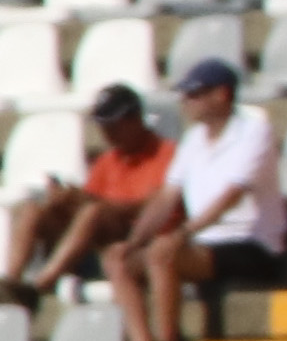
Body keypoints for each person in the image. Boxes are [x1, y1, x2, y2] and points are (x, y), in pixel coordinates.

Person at [119, 59, 286, 341]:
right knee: (117, 258)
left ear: (222, 95)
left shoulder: (254, 131)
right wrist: (134, 240)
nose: (186, 102)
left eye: (195, 94)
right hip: (208, 243)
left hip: (251, 243)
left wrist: (182, 234)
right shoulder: (194, 139)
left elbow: (232, 196)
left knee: (163, 253)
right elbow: (167, 196)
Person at [0, 85, 169, 310]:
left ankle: (41, 285)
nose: (107, 132)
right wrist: (66, 201)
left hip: (136, 236)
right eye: (103, 125)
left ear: (135, 118)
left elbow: (155, 205)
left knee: (93, 212)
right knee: (33, 208)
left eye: (113, 125)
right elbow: (90, 200)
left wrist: (93, 203)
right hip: (96, 237)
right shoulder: (107, 160)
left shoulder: (165, 154)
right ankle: (13, 282)